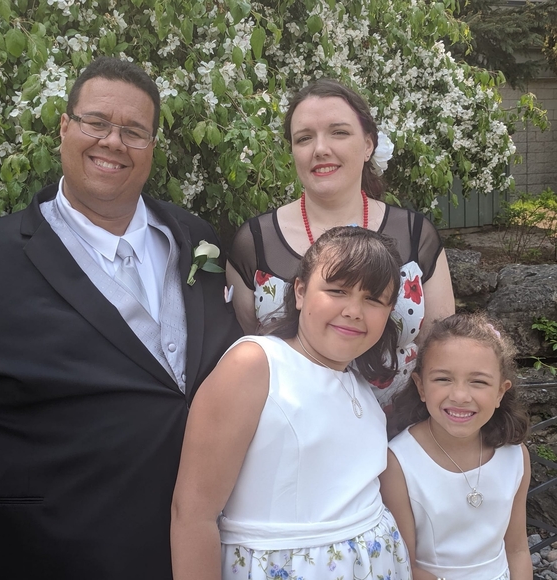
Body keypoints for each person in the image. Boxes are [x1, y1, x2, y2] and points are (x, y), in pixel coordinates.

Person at [0, 57, 241, 580]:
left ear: (152, 146)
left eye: (134, 131)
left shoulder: (196, 238)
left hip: (195, 554)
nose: (113, 142)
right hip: (48, 554)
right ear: (64, 127)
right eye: (96, 122)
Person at [171, 226, 412, 580]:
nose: (354, 311)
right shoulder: (256, 365)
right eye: (337, 291)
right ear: (300, 291)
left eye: (373, 299)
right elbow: (193, 515)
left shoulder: (357, 381)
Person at [227, 78, 455, 409]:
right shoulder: (254, 243)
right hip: (293, 431)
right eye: (304, 138)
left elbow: (441, 349)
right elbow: (247, 351)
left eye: (339, 132)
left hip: (401, 431)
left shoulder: (416, 235)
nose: (320, 149)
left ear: (368, 144)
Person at [380, 313, 531, 580]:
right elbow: (404, 564)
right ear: (421, 386)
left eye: (479, 381)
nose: (460, 396)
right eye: (443, 379)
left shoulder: (515, 456)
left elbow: (517, 549)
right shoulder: (399, 462)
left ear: (500, 392)